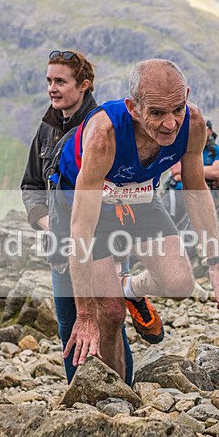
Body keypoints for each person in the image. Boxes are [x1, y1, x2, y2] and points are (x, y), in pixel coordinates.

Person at [48, 59, 219, 376]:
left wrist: (216, 265)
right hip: (85, 204)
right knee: (110, 313)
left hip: (138, 195)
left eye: (178, 108)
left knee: (180, 284)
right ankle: (119, 394)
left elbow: (196, 191)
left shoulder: (193, 124)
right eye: (157, 113)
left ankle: (129, 287)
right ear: (133, 108)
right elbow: (81, 229)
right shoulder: (105, 136)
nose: (171, 124)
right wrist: (86, 314)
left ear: (187, 96)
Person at [19, 49, 134, 385]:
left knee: (109, 320)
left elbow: (123, 189)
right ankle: (79, 396)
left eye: (60, 81)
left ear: (84, 85)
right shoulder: (46, 129)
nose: (52, 88)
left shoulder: (103, 129)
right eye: (49, 81)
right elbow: (31, 185)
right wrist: (47, 223)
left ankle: (122, 393)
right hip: (61, 248)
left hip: (103, 244)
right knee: (70, 327)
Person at [165, 119, 219, 232]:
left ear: (210, 131)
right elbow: (176, 174)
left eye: (202, 129)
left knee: (191, 228)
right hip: (176, 196)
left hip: (200, 197)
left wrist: (187, 171)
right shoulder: (181, 149)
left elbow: (216, 172)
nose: (198, 133)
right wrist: (206, 174)